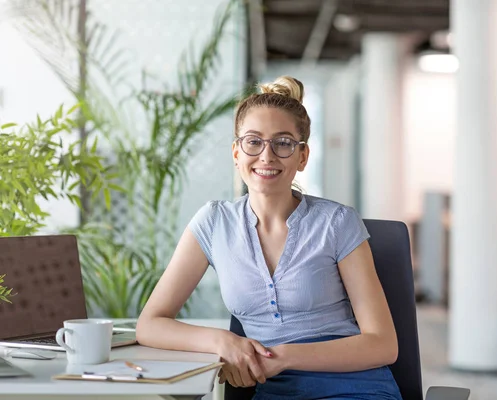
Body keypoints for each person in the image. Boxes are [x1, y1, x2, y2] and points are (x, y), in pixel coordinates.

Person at [136, 76, 402, 400]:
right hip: (276, 392)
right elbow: (150, 324)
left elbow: (383, 344)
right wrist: (224, 342)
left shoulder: (337, 223)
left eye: (284, 142)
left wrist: (284, 357)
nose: (267, 156)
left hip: (357, 388)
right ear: (236, 152)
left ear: (302, 156)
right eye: (253, 141)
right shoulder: (213, 223)